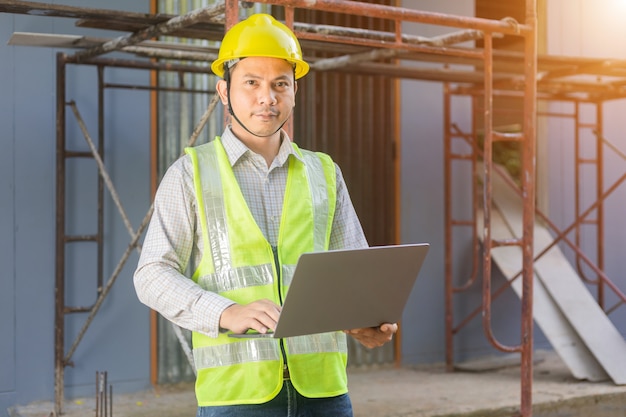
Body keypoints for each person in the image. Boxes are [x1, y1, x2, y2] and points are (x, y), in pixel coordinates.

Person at [134, 13, 397, 417]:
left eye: (280, 84)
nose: (267, 98)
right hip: (238, 397)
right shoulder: (191, 173)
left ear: (295, 92)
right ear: (224, 92)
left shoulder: (324, 172)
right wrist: (226, 312)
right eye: (251, 82)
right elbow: (152, 273)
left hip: (323, 391)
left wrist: (365, 320)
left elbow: (352, 269)